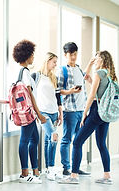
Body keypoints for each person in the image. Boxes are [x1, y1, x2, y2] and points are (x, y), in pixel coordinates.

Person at [58, 50, 117, 184]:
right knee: (102, 144)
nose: (95, 60)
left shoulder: (98, 73)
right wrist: (91, 80)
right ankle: (107, 176)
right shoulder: (109, 74)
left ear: (102, 59)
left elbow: (91, 96)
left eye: (96, 58)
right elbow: (101, 91)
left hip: (96, 111)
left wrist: (85, 113)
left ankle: (73, 176)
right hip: (105, 113)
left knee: (77, 142)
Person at [12, 40, 46, 184]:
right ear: (27, 55)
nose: (33, 57)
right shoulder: (25, 73)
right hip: (28, 112)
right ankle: (25, 174)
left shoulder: (21, 72)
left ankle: (35, 171)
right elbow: (30, 95)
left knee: (34, 140)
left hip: (25, 112)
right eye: (32, 54)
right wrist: (38, 114)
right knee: (25, 140)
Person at [57, 42, 91, 176]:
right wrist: (70, 91)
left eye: (75, 53)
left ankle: (76, 168)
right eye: (71, 54)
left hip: (81, 110)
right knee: (67, 139)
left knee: (78, 140)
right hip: (69, 110)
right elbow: (58, 91)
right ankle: (66, 168)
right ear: (65, 55)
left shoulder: (79, 69)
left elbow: (84, 90)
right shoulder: (62, 70)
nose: (74, 56)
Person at [31, 52, 63, 181]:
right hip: (43, 112)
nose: (55, 64)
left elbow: (58, 97)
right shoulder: (36, 76)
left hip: (54, 112)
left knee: (48, 140)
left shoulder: (54, 77)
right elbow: (30, 93)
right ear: (47, 61)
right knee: (54, 137)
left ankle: (48, 170)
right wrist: (35, 112)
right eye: (54, 61)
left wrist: (60, 113)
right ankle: (51, 167)